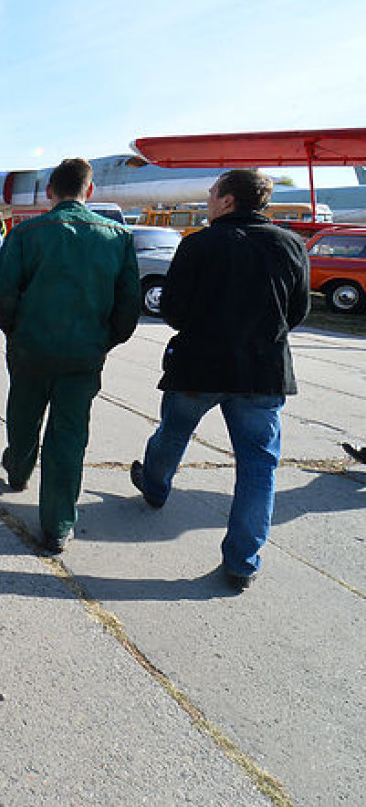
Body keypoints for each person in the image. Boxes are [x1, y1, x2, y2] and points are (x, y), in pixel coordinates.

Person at [131, 169, 309, 592]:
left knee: (173, 434)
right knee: (259, 468)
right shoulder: (291, 246)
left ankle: (155, 487)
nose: (208, 199)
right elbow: (297, 311)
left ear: (228, 201)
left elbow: (172, 310)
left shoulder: (199, 245)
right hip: (262, 374)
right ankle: (243, 563)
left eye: (213, 193)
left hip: (199, 367)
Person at [0, 157, 141, 553]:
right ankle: (58, 523)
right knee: (70, 434)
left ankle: (19, 470)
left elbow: (5, 293)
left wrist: (13, 330)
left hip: (31, 349)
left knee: (23, 414)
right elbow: (129, 304)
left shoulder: (25, 233)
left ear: (49, 192)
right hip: (84, 354)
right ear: (89, 191)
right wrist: (105, 341)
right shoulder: (118, 236)